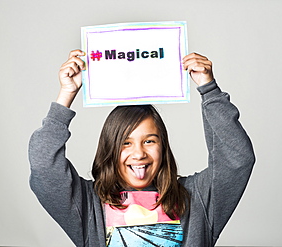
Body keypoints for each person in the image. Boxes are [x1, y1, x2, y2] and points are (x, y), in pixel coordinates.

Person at [29, 50, 255, 247]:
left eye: (149, 141)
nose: (138, 154)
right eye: (126, 143)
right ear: (110, 150)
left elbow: (237, 159)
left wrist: (210, 91)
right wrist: (66, 95)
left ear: (163, 147)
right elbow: (43, 165)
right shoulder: (89, 206)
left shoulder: (197, 198)